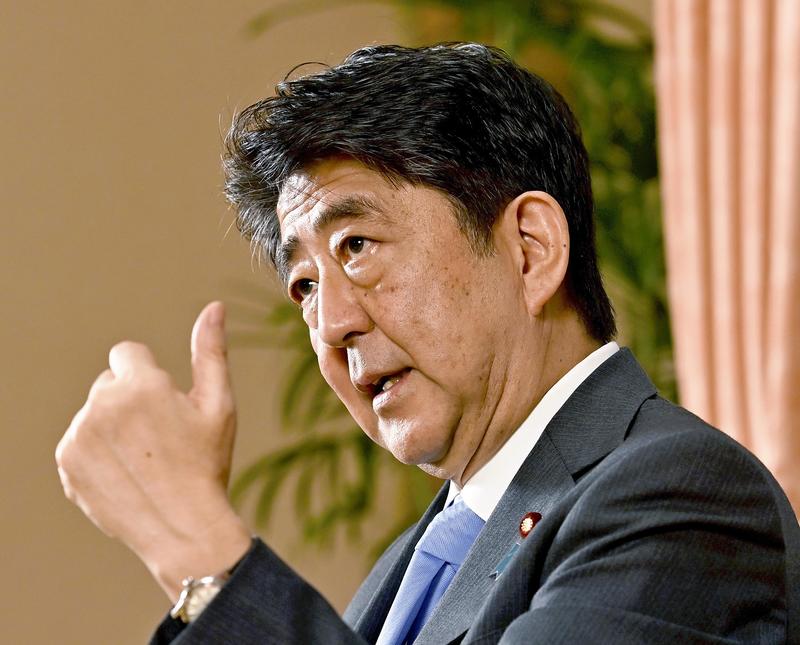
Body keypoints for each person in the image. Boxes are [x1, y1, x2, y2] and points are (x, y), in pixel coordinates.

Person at [56, 43, 799, 644]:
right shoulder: (413, 561)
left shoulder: (682, 496)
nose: (331, 323)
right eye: (304, 284)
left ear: (531, 249)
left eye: (356, 246)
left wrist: (203, 555)